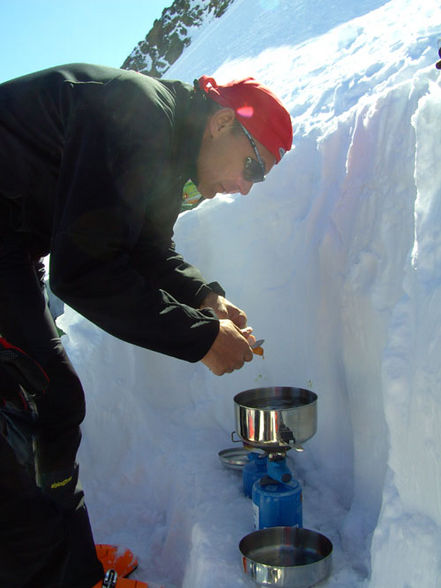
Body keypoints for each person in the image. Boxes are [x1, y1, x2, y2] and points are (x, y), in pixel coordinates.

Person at [0, 64, 292, 587]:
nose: (247, 188)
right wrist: (199, 338)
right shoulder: (141, 113)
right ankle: (54, 574)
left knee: (46, 405)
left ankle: (69, 565)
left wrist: (207, 300)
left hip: (12, 237)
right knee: (40, 400)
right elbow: (84, 271)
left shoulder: (168, 146)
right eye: (255, 167)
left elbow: (146, 247)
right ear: (222, 123)